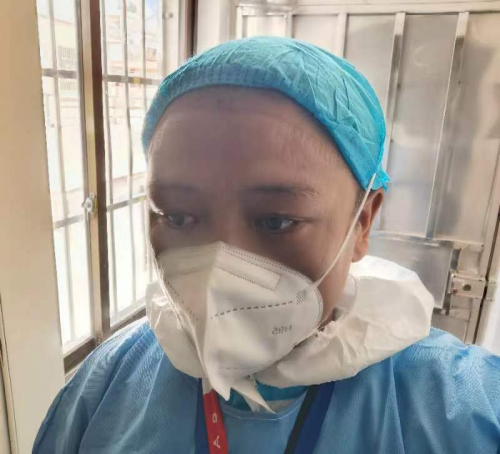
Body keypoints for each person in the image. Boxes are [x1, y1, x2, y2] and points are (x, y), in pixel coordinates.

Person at [34, 37, 500, 454]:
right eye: (176, 217)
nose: (218, 265)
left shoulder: (464, 414)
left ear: (362, 222)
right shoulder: (106, 387)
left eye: (275, 221)